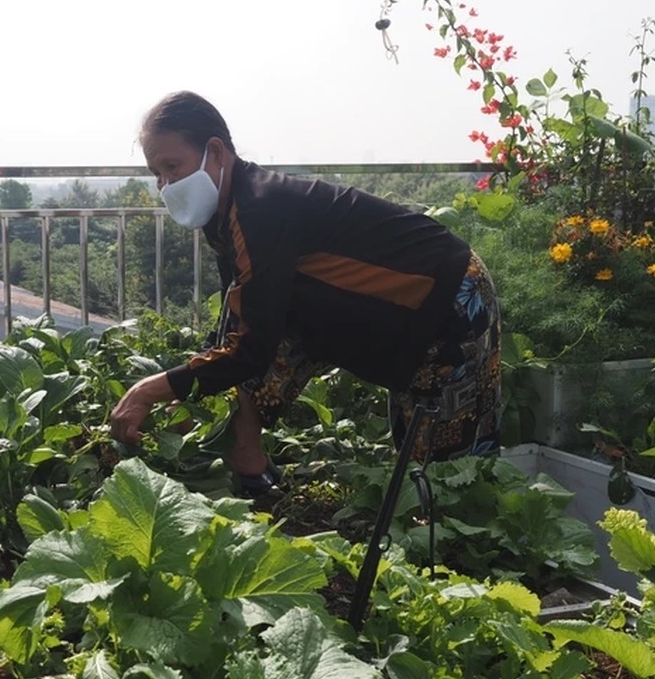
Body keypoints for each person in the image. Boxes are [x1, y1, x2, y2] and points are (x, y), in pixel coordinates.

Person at [109, 91, 501, 495]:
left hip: (450, 298)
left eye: (173, 167)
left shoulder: (260, 209)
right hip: (377, 305)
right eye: (157, 173)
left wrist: (150, 389)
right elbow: (241, 312)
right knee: (260, 332)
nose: (165, 185)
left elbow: (251, 349)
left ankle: (477, 545)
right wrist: (187, 391)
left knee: (447, 475)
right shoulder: (227, 213)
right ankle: (247, 459)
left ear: (215, 151)